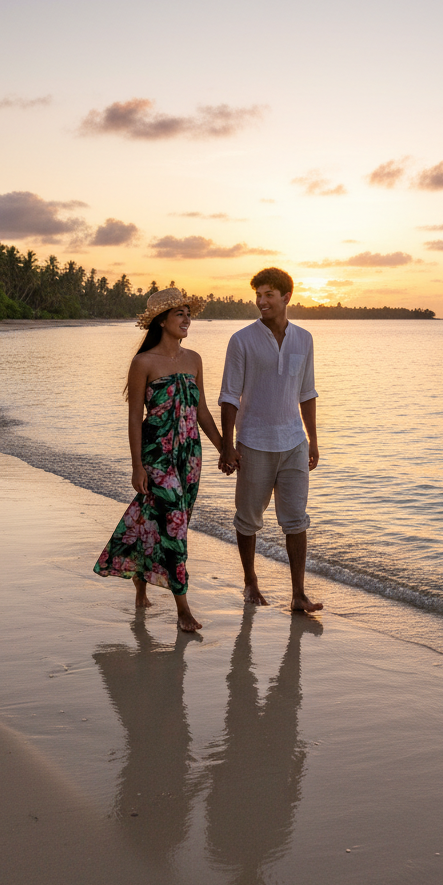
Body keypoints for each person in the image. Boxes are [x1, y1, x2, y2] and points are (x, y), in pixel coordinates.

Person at [94, 287, 224, 632]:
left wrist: (225, 446)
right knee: (175, 527)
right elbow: (135, 416)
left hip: (189, 455)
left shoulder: (194, 359)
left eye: (188, 313)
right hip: (157, 456)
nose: (187, 319)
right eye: (179, 314)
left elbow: (201, 410)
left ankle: (140, 579)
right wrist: (137, 465)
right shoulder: (143, 363)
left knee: (159, 518)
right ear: (162, 321)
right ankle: (183, 608)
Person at [218, 267, 323, 613]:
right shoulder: (242, 340)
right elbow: (229, 396)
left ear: (286, 296)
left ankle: (298, 594)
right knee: (248, 519)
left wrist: (313, 440)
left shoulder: (304, 339)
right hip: (253, 442)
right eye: (258, 295)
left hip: (293, 442)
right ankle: (250, 581)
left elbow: (307, 393)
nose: (261, 302)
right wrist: (228, 445)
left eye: (268, 295)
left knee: (297, 519)